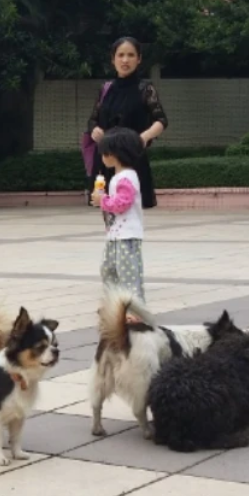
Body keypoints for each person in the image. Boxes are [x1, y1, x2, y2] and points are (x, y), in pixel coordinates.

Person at [87, 36, 168, 209]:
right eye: (120, 55)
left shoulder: (145, 89)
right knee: (107, 210)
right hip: (107, 159)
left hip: (132, 159)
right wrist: (95, 130)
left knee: (131, 209)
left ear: (138, 59)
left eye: (131, 55)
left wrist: (143, 137)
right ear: (113, 59)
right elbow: (93, 119)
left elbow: (161, 120)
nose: (125, 60)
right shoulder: (106, 88)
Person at [92, 127, 146, 302]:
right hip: (116, 235)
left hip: (127, 236)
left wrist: (103, 201)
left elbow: (122, 204)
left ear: (115, 154)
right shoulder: (119, 177)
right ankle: (115, 304)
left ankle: (134, 307)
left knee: (127, 273)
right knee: (108, 269)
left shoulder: (126, 178)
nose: (102, 157)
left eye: (104, 153)